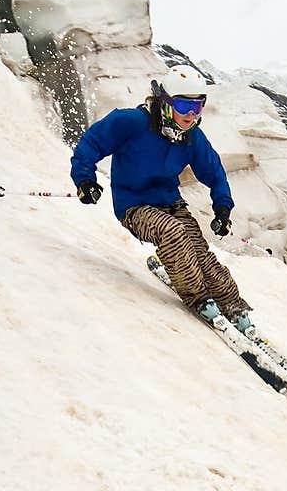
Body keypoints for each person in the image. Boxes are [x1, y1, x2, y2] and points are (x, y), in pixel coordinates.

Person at [70, 64, 253, 331]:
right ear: (165, 102)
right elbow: (91, 143)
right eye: (183, 106)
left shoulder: (191, 137)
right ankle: (198, 298)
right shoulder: (132, 122)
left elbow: (214, 172)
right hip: (134, 206)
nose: (191, 115)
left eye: (197, 107)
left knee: (201, 254)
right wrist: (85, 179)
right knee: (174, 232)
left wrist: (222, 208)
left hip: (171, 203)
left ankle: (234, 307)